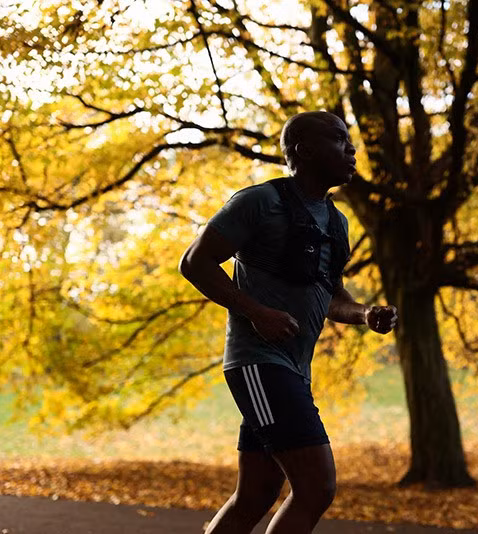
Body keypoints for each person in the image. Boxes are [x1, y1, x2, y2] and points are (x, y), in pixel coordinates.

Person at [179, 110, 397, 534]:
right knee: (316, 486)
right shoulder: (261, 202)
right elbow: (195, 262)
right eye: (339, 140)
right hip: (258, 363)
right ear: (305, 150)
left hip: (293, 371)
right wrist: (256, 312)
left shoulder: (336, 222)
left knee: (256, 496)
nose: (351, 149)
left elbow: (333, 298)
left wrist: (366, 313)